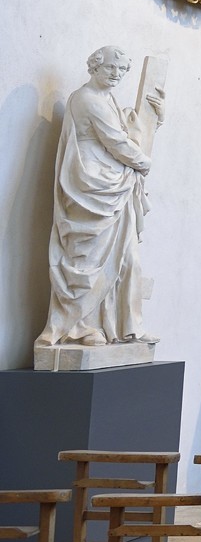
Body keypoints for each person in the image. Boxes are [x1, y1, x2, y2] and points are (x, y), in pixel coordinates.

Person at [36, 46, 164, 348]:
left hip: (114, 186)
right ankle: (77, 327)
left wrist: (154, 118)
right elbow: (116, 140)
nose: (116, 75)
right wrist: (144, 162)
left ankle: (127, 326)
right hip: (91, 187)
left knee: (128, 259)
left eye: (121, 70)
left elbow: (127, 129)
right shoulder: (86, 99)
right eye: (110, 68)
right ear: (94, 67)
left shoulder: (108, 99)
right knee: (87, 260)